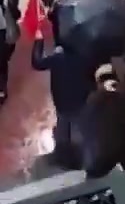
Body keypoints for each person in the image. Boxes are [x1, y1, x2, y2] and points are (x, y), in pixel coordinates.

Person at [31, 26, 96, 168]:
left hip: (62, 101)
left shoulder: (56, 58)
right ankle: (83, 160)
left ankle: (65, 159)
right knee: (80, 131)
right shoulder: (83, 57)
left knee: (63, 130)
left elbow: (37, 62)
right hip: (80, 100)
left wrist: (39, 41)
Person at [81, 63, 125, 178]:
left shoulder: (92, 99)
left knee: (93, 178)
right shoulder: (123, 95)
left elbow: (86, 126)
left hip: (101, 150)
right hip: (122, 146)